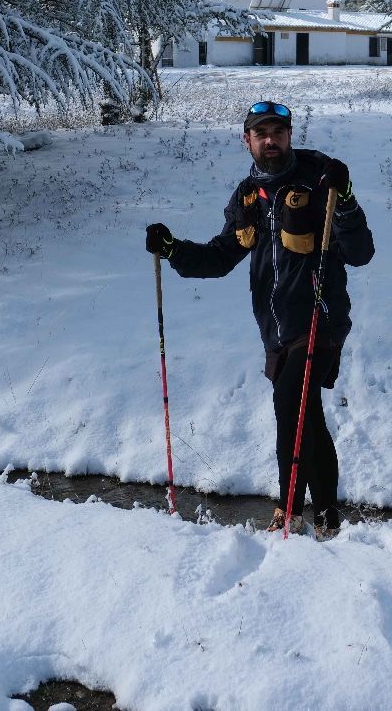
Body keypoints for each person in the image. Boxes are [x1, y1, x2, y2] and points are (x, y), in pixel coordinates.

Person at [145, 100, 375, 538]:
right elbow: (219, 257)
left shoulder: (322, 177)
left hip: (318, 321)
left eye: (278, 132)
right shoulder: (248, 195)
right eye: (261, 133)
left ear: (290, 135)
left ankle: (288, 513)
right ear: (247, 141)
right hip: (276, 330)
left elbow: (360, 252)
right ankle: (327, 518)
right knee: (310, 420)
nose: (271, 141)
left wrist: (345, 199)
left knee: (291, 409)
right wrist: (173, 249)